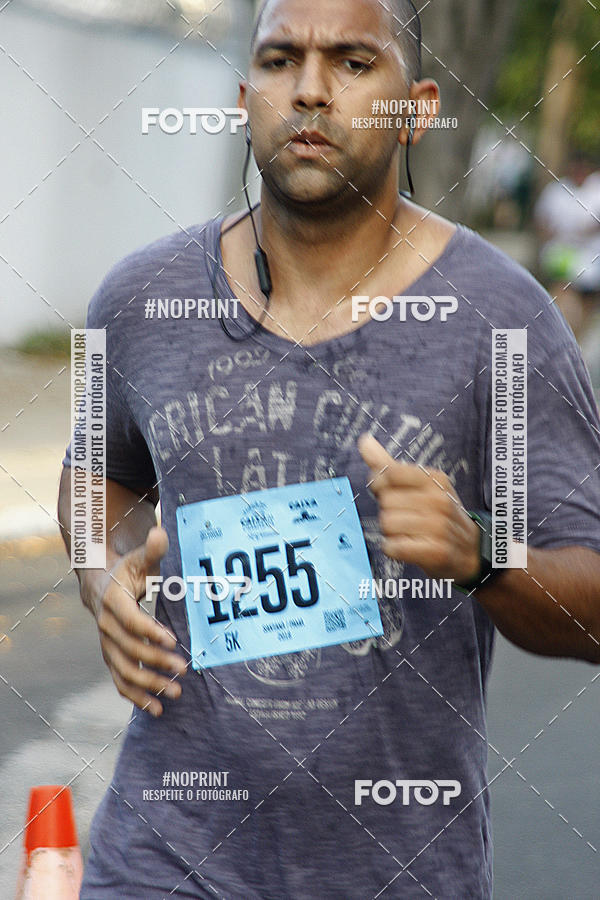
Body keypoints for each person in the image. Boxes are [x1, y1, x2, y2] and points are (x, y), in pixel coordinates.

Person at [57, 0, 600, 896]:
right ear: (244, 101)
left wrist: (483, 552)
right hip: (159, 860)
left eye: (353, 62)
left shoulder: (502, 321)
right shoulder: (141, 298)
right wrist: (104, 571)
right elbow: (95, 475)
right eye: (280, 61)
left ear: (417, 109)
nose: (310, 90)